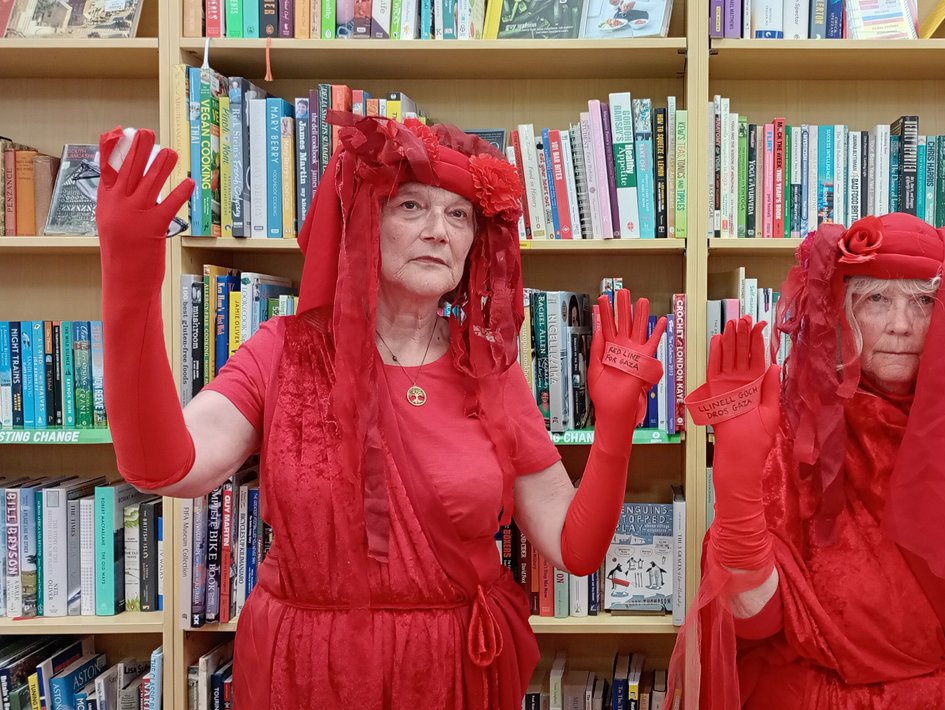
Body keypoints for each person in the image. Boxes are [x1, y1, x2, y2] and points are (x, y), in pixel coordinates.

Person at [95, 115, 666, 709]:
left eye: (459, 215)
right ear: (366, 220)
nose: (438, 231)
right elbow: (165, 467)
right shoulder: (284, 351)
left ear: (475, 244)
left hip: (455, 676)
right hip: (308, 675)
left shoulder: (493, 373)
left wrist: (616, 426)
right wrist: (130, 280)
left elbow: (576, 549)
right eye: (412, 207)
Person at [670, 214, 945, 709]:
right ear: (840, 311)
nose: (901, 325)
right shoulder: (796, 431)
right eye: (877, 299)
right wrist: (737, 485)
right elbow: (755, 619)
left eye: (924, 301)